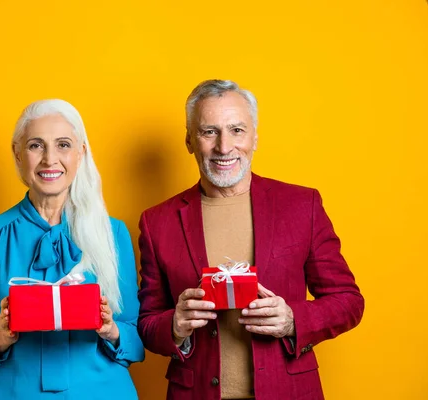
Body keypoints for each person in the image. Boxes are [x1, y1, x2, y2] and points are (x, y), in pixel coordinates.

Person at [137, 80, 364, 400]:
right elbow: (147, 322)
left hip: (288, 391)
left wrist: (292, 320)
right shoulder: (157, 222)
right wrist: (175, 326)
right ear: (189, 140)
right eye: (209, 132)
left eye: (237, 130)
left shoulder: (302, 206)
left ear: (255, 137)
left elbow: (349, 302)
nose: (224, 146)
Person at [0, 99, 145, 399]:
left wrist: (110, 330)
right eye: (36, 146)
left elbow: (137, 340)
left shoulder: (113, 233)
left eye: (63, 145)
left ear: (81, 154)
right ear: (17, 153)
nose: (50, 159)